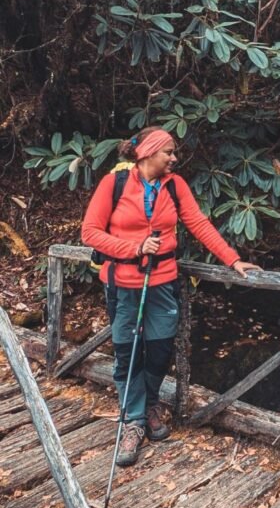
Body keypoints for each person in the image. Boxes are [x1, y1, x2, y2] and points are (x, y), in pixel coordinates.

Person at [81, 126, 262, 466]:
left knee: (160, 350)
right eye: (169, 152)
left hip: (162, 282)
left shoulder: (175, 186)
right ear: (149, 153)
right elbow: (90, 232)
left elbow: (199, 223)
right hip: (124, 284)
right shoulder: (114, 184)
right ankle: (133, 422)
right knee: (128, 353)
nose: (174, 158)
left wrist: (232, 259)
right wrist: (133, 247)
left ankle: (149, 405)